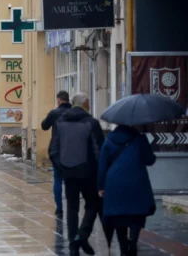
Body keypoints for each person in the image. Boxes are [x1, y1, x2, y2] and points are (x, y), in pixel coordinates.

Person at [49, 92, 104, 256]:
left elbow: (53, 150)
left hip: (68, 172)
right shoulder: (91, 123)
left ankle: (74, 242)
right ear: (86, 104)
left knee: (71, 209)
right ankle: (82, 236)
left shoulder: (60, 122)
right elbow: (99, 151)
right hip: (88, 173)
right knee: (93, 204)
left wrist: (62, 168)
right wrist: (99, 172)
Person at [98, 124, 156, 256]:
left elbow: (102, 164)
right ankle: (133, 242)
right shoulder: (140, 139)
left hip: (114, 182)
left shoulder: (109, 139)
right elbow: (149, 160)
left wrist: (101, 186)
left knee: (119, 214)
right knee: (136, 212)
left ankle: (123, 246)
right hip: (137, 181)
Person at [41, 90, 72, 217]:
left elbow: (44, 126)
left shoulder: (55, 113)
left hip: (57, 151)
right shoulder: (74, 112)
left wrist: (52, 113)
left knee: (58, 180)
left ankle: (59, 208)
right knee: (71, 180)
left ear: (59, 100)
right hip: (72, 150)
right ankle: (72, 205)